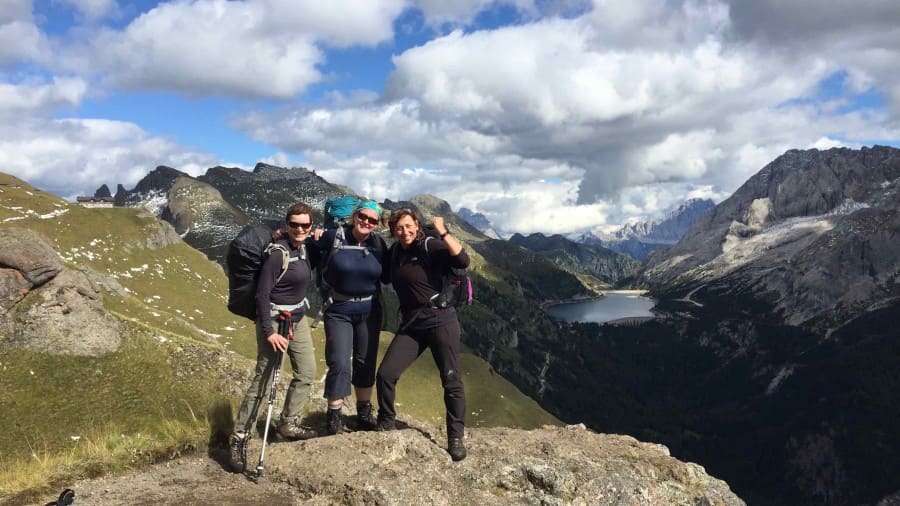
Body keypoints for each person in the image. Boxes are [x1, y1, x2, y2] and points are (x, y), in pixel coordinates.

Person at [228, 203, 318, 474]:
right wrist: (269, 332)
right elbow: (262, 296)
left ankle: (287, 422)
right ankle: (239, 437)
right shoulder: (277, 255)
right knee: (263, 379)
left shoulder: (302, 248)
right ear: (287, 224)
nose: (300, 229)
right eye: (295, 224)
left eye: (305, 225)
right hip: (275, 321)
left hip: (297, 319)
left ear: (311, 225)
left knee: (307, 371)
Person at [375, 209, 470, 461]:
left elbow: (462, 260)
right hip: (412, 325)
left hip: (441, 321)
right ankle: (386, 422)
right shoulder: (395, 253)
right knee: (385, 374)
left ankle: (456, 436)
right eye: (399, 228)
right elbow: (381, 274)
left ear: (416, 225)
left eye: (408, 226)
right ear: (393, 231)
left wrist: (443, 230)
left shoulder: (430, 245)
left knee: (451, 380)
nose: (404, 232)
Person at [308, 200, 387, 435]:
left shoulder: (379, 244)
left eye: (372, 220)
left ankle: (363, 413)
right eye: (363, 217)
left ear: (377, 224)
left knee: (365, 361)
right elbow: (303, 248)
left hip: (370, 311)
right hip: (338, 309)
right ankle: (334, 416)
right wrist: (283, 234)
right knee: (340, 361)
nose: (366, 222)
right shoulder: (333, 236)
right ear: (355, 216)